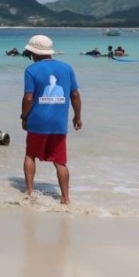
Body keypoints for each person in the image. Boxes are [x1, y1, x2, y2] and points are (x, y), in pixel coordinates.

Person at [20, 35, 82, 204]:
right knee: (60, 161)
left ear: (34, 53)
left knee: (30, 155)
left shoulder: (31, 70)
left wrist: (24, 116)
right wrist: (77, 116)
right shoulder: (67, 68)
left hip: (38, 121)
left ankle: (29, 192)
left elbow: (28, 98)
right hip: (59, 123)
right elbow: (75, 95)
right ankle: (65, 198)